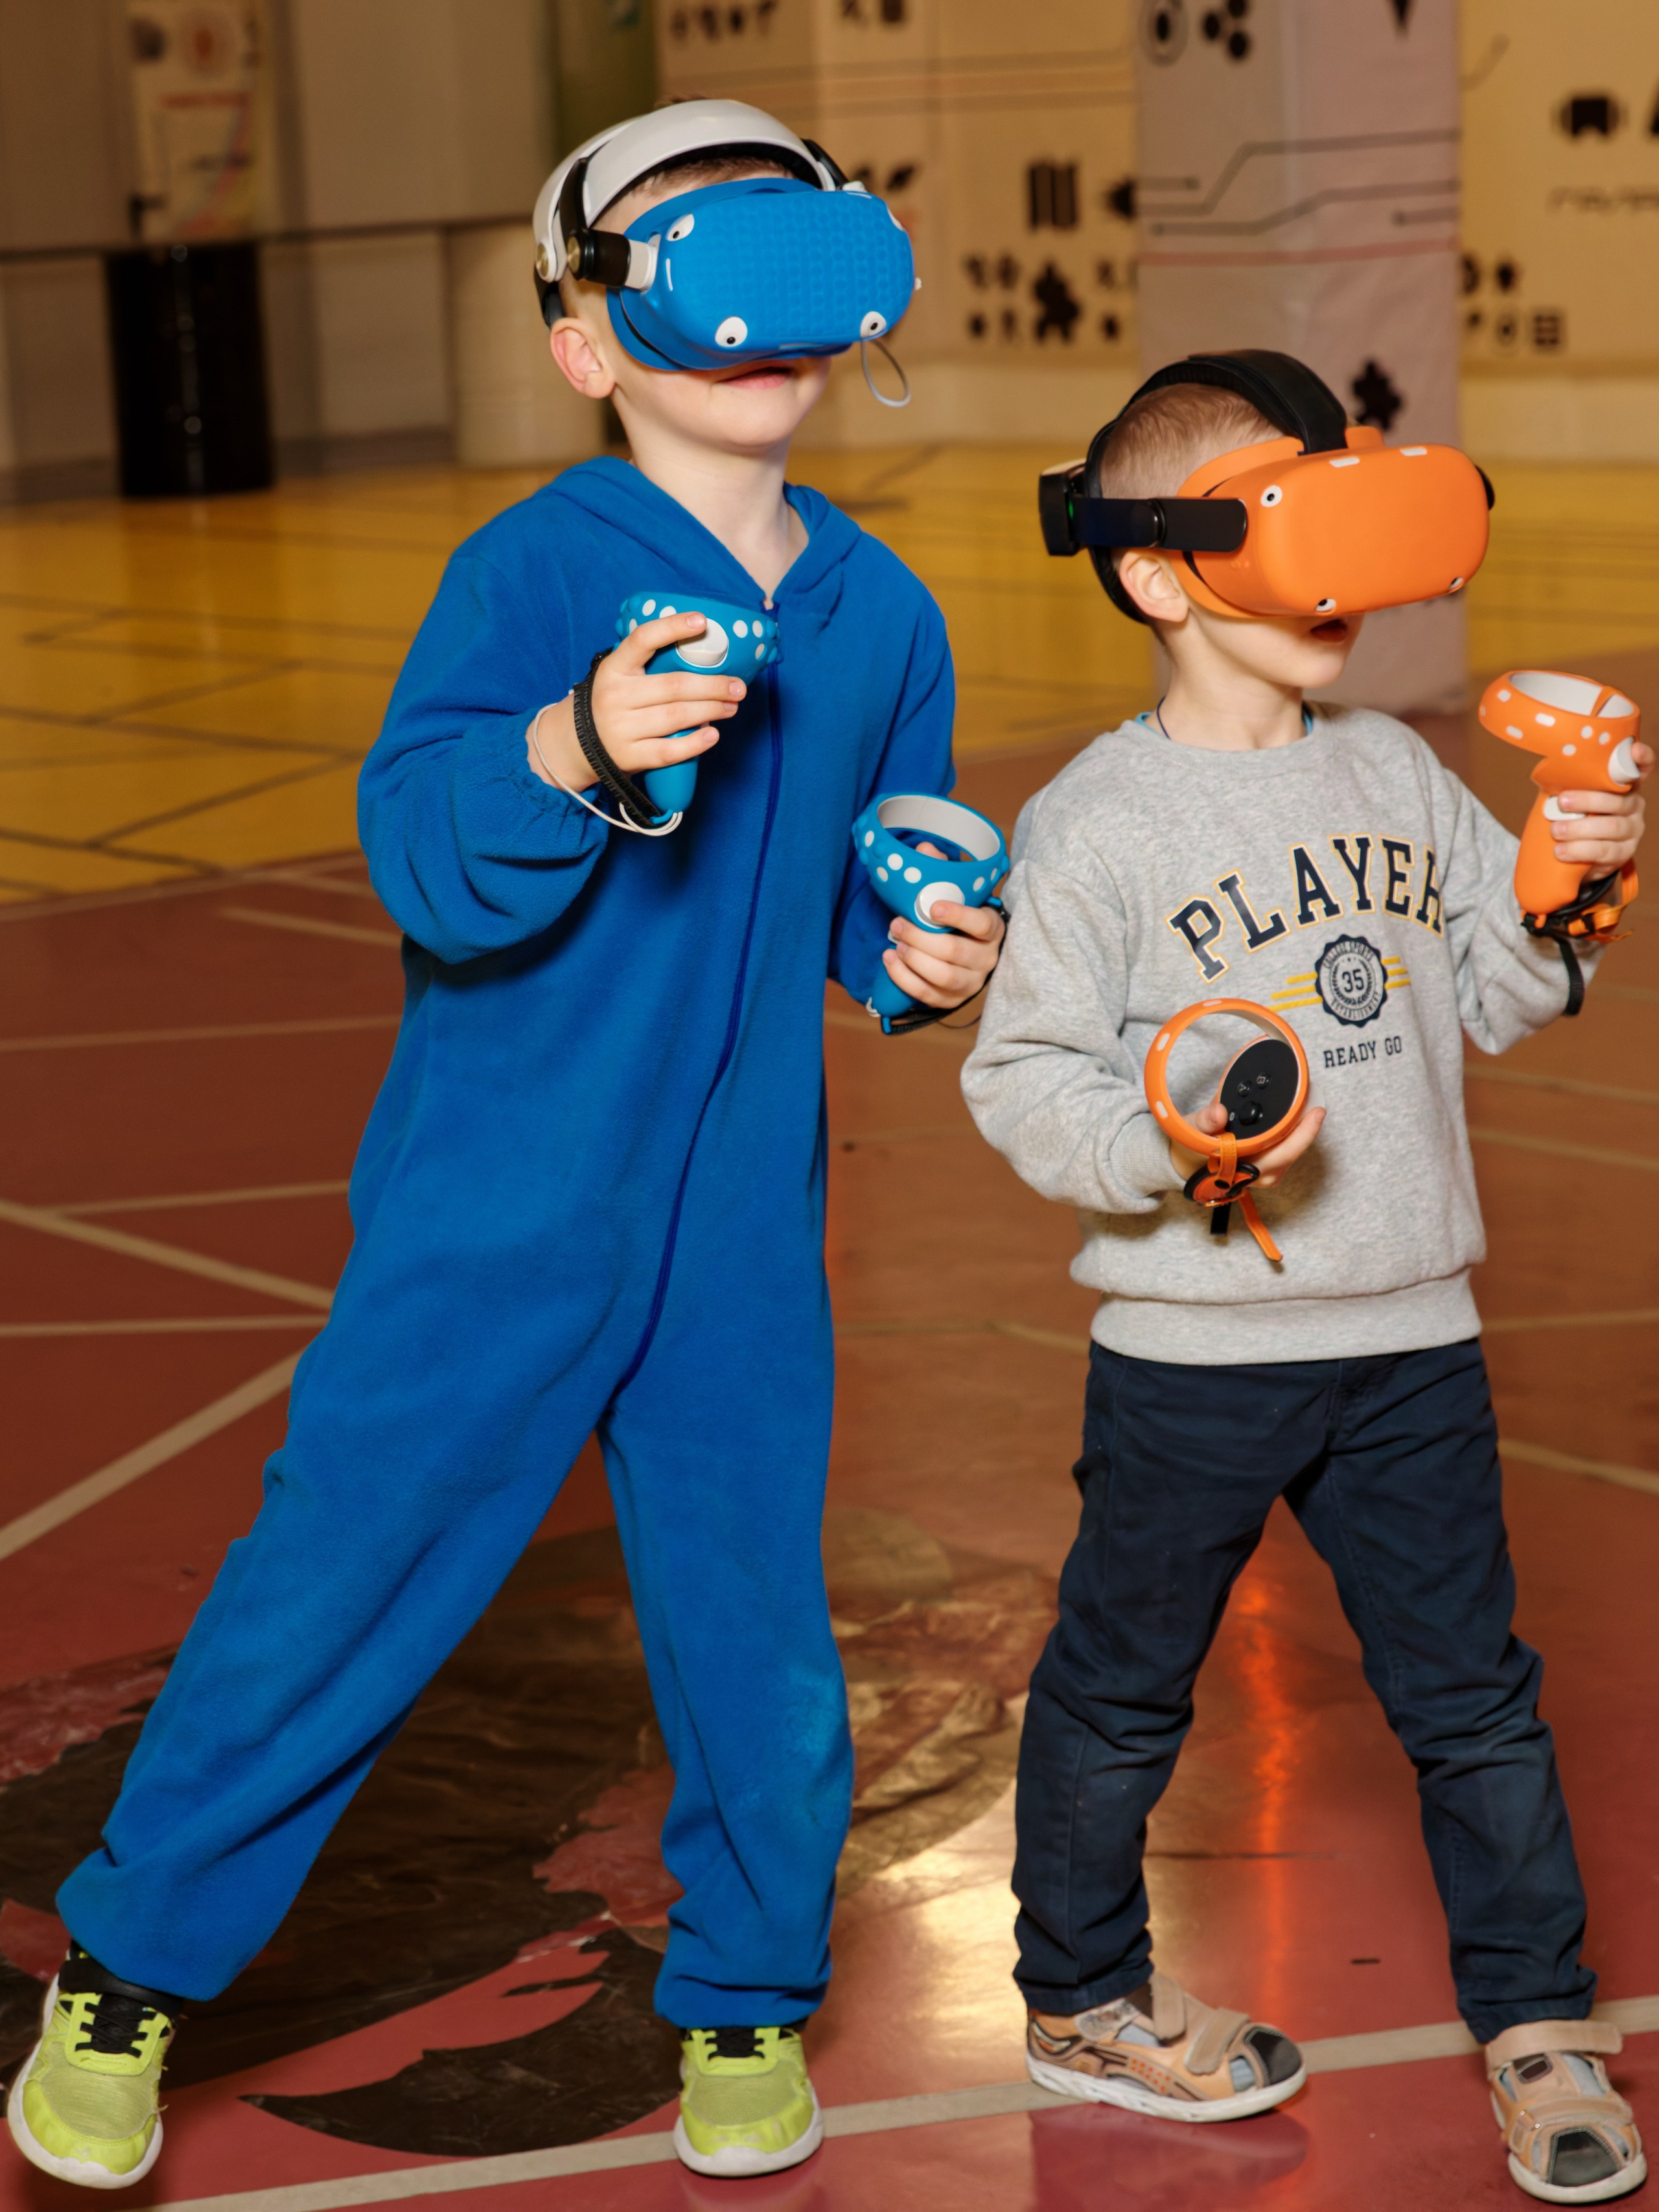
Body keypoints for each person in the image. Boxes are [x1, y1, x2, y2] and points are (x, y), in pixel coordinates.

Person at [8, 100, 1002, 2191]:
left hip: (740, 1222)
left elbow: (864, 900)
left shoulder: (885, 612)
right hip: (496, 1207)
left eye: (784, 247)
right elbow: (428, 859)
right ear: (586, 343)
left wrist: (926, 952)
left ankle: (746, 1990)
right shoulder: (532, 568)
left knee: (752, 1615)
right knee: (341, 1577)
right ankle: (130, 1968)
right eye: (695, 262)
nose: (754, 316)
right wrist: (568, 746)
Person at [962, 355, 1650, 2205]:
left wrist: (1569, 878)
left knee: (1475, 1700)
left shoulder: (1396, 769)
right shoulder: (1097, 824)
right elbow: (1021, 1076)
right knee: (1122, 1690)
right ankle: (1082, 1998)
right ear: (1160, 573)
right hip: (1192, 1353)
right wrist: (1158, 1143)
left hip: (1414, 1335)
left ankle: (1539, 2022)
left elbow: (1504, 992)